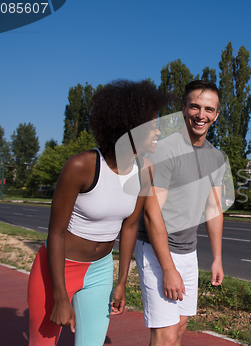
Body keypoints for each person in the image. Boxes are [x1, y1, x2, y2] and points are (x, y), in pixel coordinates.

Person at [27, 79, 171, 346]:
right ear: (131, 129)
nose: (158, 133)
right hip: (57, 269)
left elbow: (128, 228)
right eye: (153, 128)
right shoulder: (81, 166)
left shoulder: (145, 170)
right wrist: (60, 296)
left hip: (100, 270)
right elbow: (56, 233)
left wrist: (121, 281)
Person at [135, 80, 227, 346]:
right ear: (183, 108)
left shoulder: (216, 158)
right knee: (164, 336)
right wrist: (168, 268)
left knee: (179, 330)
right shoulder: (165, 149)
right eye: (195, 107)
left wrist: (217, 258)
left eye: (209, 109)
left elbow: (214, 210)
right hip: (157, 252)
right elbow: (152, 213)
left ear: (217, 115)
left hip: (189, 252)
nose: (201, 115)